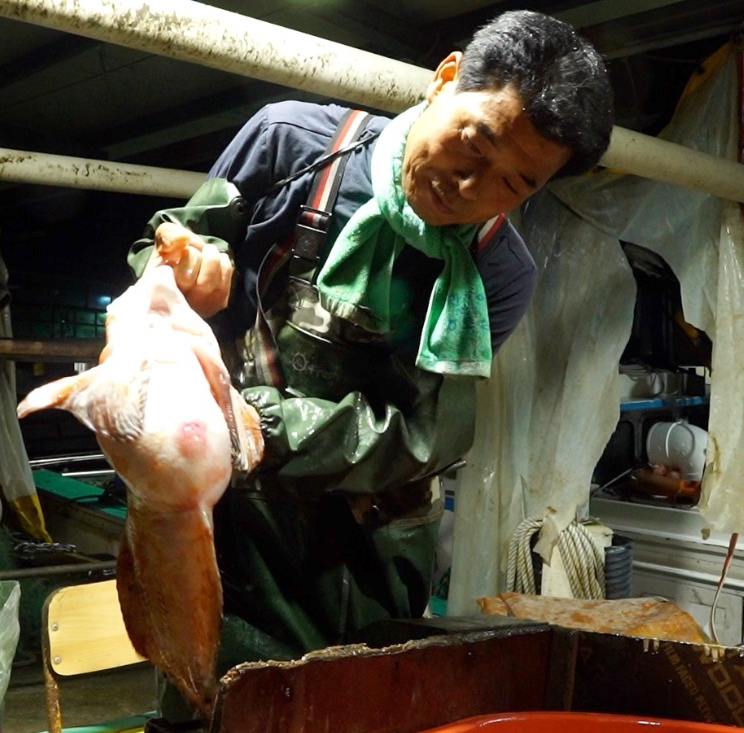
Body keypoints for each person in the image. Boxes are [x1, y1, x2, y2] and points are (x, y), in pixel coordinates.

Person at [128, 8, 613, 719]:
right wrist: (184, 264)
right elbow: (167, 248)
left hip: (372, 551)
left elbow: (425, 435)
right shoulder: (292, 144)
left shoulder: (497, 273)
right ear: (446, 78)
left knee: (351, 710)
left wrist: (260, 421)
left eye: (515, 184)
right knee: (211, 700)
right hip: (236, 527)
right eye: (474, 144)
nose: (471, 190)